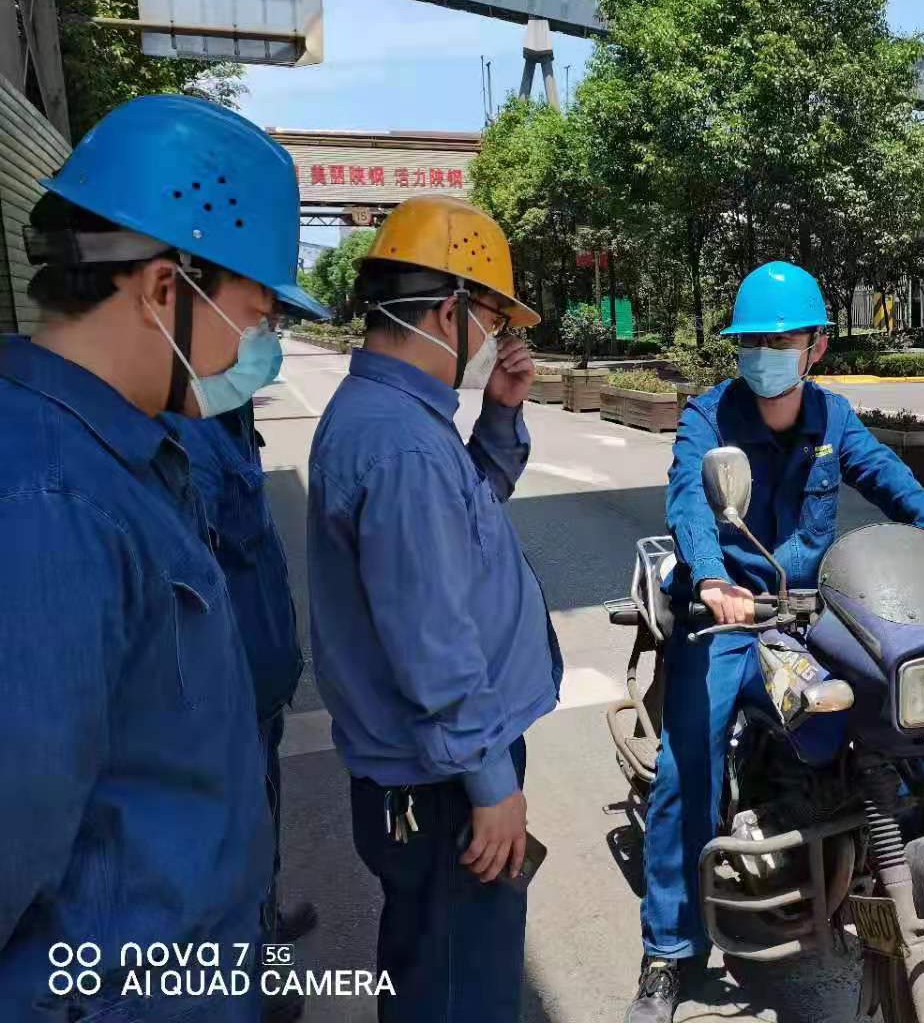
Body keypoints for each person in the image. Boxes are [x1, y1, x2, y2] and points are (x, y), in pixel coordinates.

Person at [0, 95, 326, 1021]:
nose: (261, 349)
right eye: (256, 316)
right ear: (161, 289)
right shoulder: (46, 507)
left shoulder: (129, 456)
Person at [625, 261, 924, 1023]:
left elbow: (897, 484)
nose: (765, 354)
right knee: (689, 759)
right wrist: (712, 579)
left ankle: (893, 868)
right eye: (752, 342)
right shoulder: (708, 417)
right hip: (727, 616)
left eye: (782, 341)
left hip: (806, 611)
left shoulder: (833, 420)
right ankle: (668, 951)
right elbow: (689, 504)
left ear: (817, 346)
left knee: (892, 719)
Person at [307, 195, 564, 1022]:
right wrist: (491, 783)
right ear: (450, 312)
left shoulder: (398, 418)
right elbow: (433, 638)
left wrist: (501, 414)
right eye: (493, 319)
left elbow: (465, 519)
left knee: (429, 965)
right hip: (446, 776)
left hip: (435, 765)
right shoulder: (403, 444)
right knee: (462, 988)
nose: (497, 340)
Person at [165, 399, 318, 1022]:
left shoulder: (228, 419)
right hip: (231, 700)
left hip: (259, 687)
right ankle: (257, 975)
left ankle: (266, 932)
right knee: (240, 853)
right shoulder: (191, 438)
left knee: (263, 833)